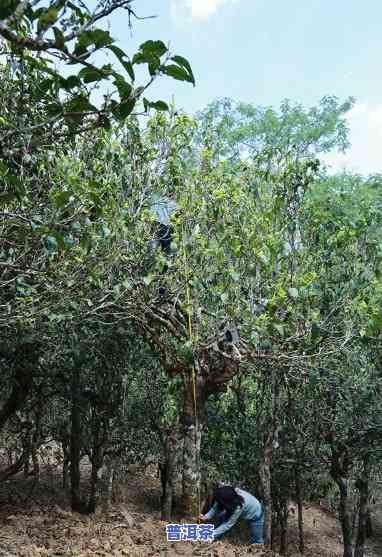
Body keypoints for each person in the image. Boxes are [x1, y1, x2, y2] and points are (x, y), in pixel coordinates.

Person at [199, 486, 264, 544]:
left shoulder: (239, 506)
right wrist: (206, 516)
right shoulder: (224, 494)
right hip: (235, 506)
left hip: (256, 514)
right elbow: (215, 507)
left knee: (256, 542)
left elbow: (228, 525)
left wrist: (211, 534)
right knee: (221, 518)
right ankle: (215, 541)